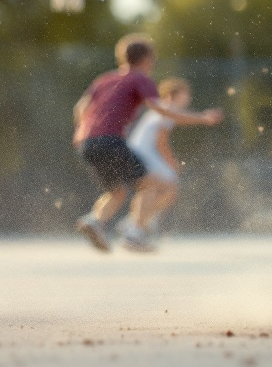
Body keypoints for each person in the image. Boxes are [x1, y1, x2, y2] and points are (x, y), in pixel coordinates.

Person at [73, 35, 222, 253]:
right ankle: (134, 234)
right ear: (147, 59)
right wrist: (202, 118)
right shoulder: (139, 79)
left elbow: (80, 108)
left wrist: (86, 132)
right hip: (110, 141)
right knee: (153, 184)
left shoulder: (104, 79)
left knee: (117, 192)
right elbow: (160, 109)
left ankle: (94, 221)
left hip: (86, 144)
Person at [123, 77, 196, 240]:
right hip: (143, 155)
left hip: (139, 153)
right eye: (185, 94)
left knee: (157, 189)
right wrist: (172, 164)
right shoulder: (166, 110)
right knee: (168, 187)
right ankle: (136, 224)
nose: (188, 98)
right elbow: (161, 143)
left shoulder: (163, 110)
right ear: (173, 95)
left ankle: (137, 222)